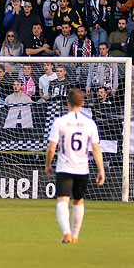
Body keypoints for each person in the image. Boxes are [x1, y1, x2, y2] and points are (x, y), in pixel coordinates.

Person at [45, 88, 105, 244]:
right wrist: (101, 170)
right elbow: (96, 149)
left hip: (65, 167)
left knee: (62, 200)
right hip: (82, 168)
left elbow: (52, 147)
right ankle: (76, 236)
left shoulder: (60, 121)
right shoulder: (90, 123)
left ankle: (66, 233)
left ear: (67, 103)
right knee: (78, 201)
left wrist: (48, 165)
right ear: (83, 103)